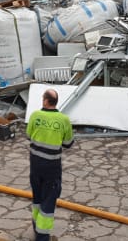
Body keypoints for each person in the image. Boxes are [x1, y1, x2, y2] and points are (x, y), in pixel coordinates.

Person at [26, 88, 73, 241]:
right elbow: (67, 143)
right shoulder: (64, 120)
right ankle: (42, 237)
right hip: (52, 168)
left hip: (35, 165)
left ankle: (36, 228)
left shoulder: (35, 116)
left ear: (45, 101)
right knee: (49, 199)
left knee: (37, 198)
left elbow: (28, 135)